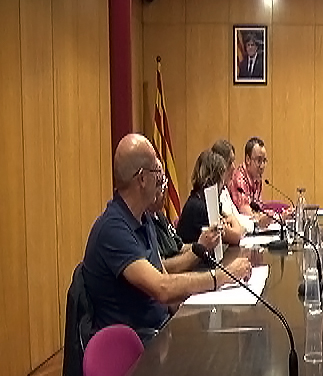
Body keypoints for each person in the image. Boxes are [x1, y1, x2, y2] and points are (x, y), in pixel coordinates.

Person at [83, 134, 252, 339]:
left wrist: (201, 316)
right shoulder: (113, 229)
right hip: (139, 346)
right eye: (157, 172)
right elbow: (162, 288)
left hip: (161, 331)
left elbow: (166, 287)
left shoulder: (144, 219)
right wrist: (224, 276)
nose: (161, 180)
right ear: (142, 178)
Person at [148, 181, 220, 273]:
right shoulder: (144, 222)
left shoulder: (159, 215)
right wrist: (201, 247)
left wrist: (207, 241)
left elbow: (180, 247)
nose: (166, 190)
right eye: (161, 185)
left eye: (165, 183)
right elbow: (162, 268)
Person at [176, 150, 246, 245]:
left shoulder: (199, 199)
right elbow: (236, 236)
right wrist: (231, 218)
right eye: (221, 180)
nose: (223, 186)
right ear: (214, 180)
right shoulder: (200, 208)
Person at [211, 139, 255, 234]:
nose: (234, 167)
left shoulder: (224, 190)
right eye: (230, 162)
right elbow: (234, 227)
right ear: (220, 165)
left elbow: (236, 217)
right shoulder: (213, 194)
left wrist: (256, 222)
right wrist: (256, 223)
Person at [229, 136, 273, 228]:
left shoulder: (257, 179)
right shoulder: (239, 179)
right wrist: (265, 217)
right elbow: (246, 213)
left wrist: (278, 217)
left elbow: (258, 210)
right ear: (248, 159)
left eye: (264, 161)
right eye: (259, 160)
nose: (262, 166)